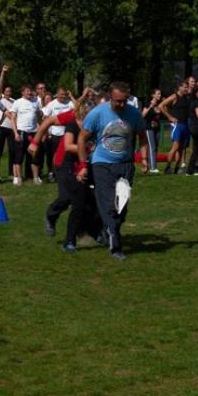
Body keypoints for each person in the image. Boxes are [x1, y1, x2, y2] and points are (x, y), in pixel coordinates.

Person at [77, 81, 147, 261]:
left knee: (121, 208)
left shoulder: (134, 113)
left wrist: (144, 159)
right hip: (102, 165)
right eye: (117, 101)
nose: (121, 105)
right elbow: (82, 138)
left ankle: (106, 228)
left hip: (125, 165)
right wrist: (83, 165)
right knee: (110, 206)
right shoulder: (97, 113)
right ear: (110, 97)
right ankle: (116, 247)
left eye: (124, 101)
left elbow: (142, 136)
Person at [41, 102, 104, 252]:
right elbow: (68, 146)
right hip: (65, 165)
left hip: (84, 165)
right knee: (70, 199)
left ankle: (91, 230)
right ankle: (53, 218)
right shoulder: (72, 125)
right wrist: (87, 149)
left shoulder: (94, 127)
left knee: (94, 201)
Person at [8, 85, 43, 185]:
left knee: (35, 155)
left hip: (33, 133)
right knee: (19, 156)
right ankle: (18, 178)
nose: (29, 93)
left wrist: (41, 130)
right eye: (27, 91)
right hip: (21, 132)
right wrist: (15, 133)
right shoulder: (17, 102)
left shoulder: (36, 101)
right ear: (22, 92)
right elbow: (12, 119)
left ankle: (36, 177)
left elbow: (39, 117)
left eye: (30, 91)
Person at [158, 81, 190, 174]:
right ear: (180, 87)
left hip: (185, 124)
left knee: (181, 148)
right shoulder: (174, 96)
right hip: (177, 125)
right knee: (175, 146)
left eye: (187, 87)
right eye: (185, 87)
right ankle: (168, 167)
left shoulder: (186, 97)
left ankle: (177, 168)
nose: (186, 89)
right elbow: (161, 106)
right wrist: (170, 117)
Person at [43, 88, 74, 182]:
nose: (63, 96)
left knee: (67, 154)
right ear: (57, 94)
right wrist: (46, 132)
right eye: (61, 94)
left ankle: (66, 172)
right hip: (56, 133)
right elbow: (45, 117)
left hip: (67, 133)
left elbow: (78, 107)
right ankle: (54, 172)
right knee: (56, 154)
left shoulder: (69, 103)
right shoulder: (52, 104)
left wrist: (71, 97)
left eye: (64, 94)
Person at [140, 88, 163, 174]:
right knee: (151, 147)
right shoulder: (148, 104)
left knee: (155, 147)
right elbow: (143, 115)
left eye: (160, 94)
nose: (159, 95)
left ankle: (152, 166)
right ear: (153, 95)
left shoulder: (159, 104)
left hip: (157, 128)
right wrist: (150, 107)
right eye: (158, 94)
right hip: (149, 128)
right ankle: (153, 168)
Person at [0, 83, 17, 182]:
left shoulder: (14, 102)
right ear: (3, 92)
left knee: (12, 151)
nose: (8, 93)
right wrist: (2, 75)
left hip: (11, 128)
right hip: (2, 127)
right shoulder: (0, 100)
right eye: (6, 91)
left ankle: (11, 173)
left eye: (10, 91)